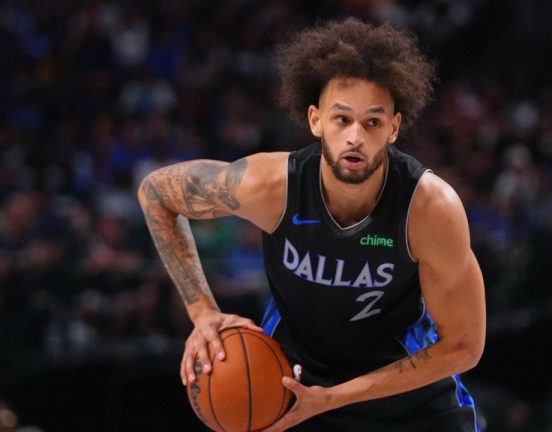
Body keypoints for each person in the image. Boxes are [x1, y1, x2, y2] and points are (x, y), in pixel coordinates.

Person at [137, 18, 486, 432]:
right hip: (295, 383)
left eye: (372, 122)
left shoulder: (429, 209)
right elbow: (157, 193)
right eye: (342, 119)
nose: (355, 136)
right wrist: (202, 313)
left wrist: (335, 398)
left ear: (393, 128)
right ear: (315, 120)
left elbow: (464, 346)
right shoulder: (270, 186)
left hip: (405, 393)